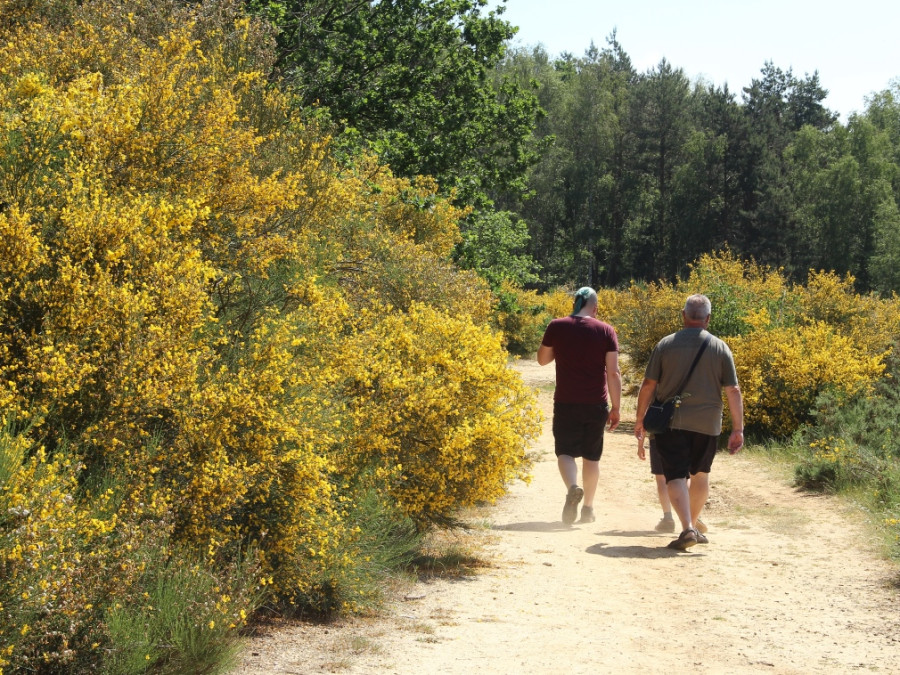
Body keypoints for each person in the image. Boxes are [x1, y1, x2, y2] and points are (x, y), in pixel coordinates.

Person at [634, 294, 744, 550]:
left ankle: (687, 528)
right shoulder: (720, 347)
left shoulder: (665, 345)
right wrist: (737, 429)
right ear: (707, 319)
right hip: (708, 424)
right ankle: (692, 526)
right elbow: (733, 390)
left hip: (671, 423)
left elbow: (649, 384)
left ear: (683, 316)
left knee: (675, 476)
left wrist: (640, 420)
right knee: (700, 475)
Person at [538, 287, 621, 525]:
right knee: (591, 458)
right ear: (594, 307)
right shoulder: (605, 330)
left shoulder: (557, 325)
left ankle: (573, 487)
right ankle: (588, 509)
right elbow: (613, 372)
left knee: (565, 452)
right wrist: (615, 408)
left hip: (565, 401)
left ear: (575, 303)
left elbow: (542, 360)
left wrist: (562, 347)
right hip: (596, 404)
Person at [637, 436, 706, 535]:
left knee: (661, 478)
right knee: (684, 476)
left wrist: (640, 444)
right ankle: (692, 516)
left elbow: (643, 421)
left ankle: (667, 517)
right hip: (686, 432)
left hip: (660, 432)